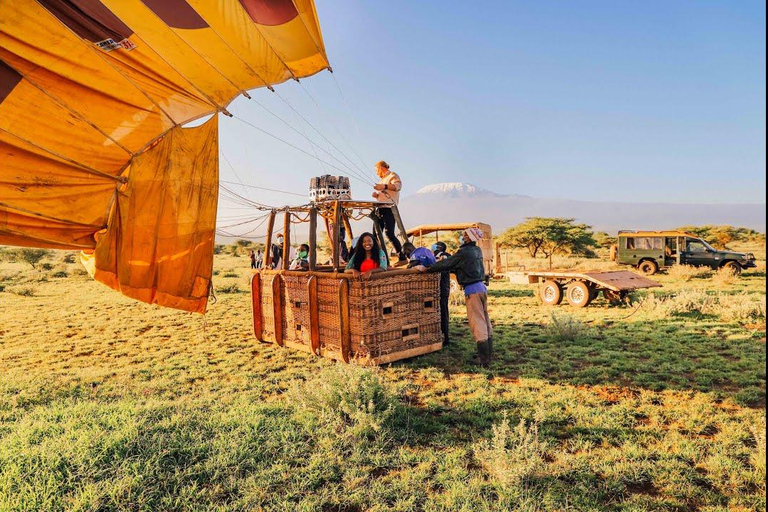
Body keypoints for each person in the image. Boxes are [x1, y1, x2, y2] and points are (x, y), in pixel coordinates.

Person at [416, 228, 492, 366]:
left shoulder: (464, 252)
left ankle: (483, 360)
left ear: (469, 238)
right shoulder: (477, 250)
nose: (462, 237)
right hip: (481, 288)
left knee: (477, 322)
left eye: (465, 235)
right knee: (485, 320)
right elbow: (460, 266)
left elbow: (447, 264)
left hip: (472, 290)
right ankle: (488, 354)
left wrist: (428, 269)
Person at [371, 160, 404, 260]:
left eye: (376, 170)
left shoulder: (393, 175)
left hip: (389, 209)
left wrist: (384, 186)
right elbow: (385, 195)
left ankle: (402, 258)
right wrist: (377, 195)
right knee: (375, 234)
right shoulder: (381, 180)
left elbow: (397, 187)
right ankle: (377, 258)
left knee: (389, 234)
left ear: (381, 168)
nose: (376, 173)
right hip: (380, 208)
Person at [431, 241, 452, 346]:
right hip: (436, 290)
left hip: (442, 289)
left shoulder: (445, 256)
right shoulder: (434, 257)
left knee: (443, 312)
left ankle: (446, 337)